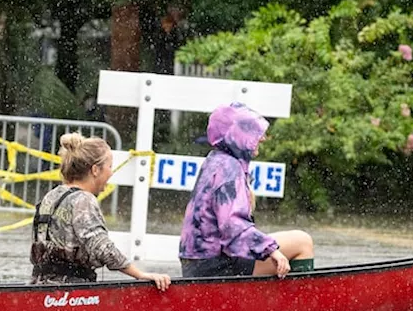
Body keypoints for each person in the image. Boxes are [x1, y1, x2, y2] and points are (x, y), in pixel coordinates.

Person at [179, 102, 315, 278]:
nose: (263, 138)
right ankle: (298, 303)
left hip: (199, 262)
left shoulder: (215, 160)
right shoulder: (229, 167)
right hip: (214, 265)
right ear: (238, 136)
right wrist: (271, 250)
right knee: (302, 242)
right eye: (254, 133)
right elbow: (232, 225)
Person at [30, 133, 171, 290]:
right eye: (109, 166)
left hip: (38, 286)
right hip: (70, 290)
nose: (111, 173)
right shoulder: (84, 200)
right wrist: (140, 275)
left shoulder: (52, 194)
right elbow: (102, 247)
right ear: (95, 170)